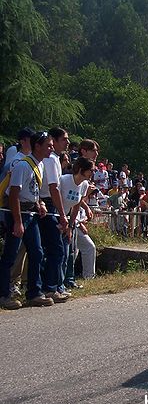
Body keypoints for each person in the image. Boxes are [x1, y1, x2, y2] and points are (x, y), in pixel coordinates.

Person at [0, 132, 55, 309]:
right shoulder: (23, 165)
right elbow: (14, 193)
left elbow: (33, 191)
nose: (51, 148)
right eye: (48, 145)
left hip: (30, 214)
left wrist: (40, 204)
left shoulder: (40, 165)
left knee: (37, 252)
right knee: (10, 255)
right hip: (18, 213)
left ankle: (34, 293)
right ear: (37, 146)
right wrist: (17, 221)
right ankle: (3, 294)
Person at [38, 127, 70, 303]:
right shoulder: (50, 160)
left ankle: (54, 285)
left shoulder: (56, 159)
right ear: (55, 140)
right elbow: (53, 188)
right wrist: (62, 213)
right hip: (47, 204)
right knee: (55, 248)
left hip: (51, 204)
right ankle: (50, 288)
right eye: (64, 139)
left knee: (53, 248)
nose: (67, 142)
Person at [59, 157, 94, 290]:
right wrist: (62, 219)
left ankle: (69, 280)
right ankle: (58, 283)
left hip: (69, 219)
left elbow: (76, 206)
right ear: (81, 170)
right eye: (90, 170)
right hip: (57, 216)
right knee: (60, 252)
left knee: (70, 251)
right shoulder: (64, 180)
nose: (92, 173)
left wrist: (71, 225)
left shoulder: (84, 185)